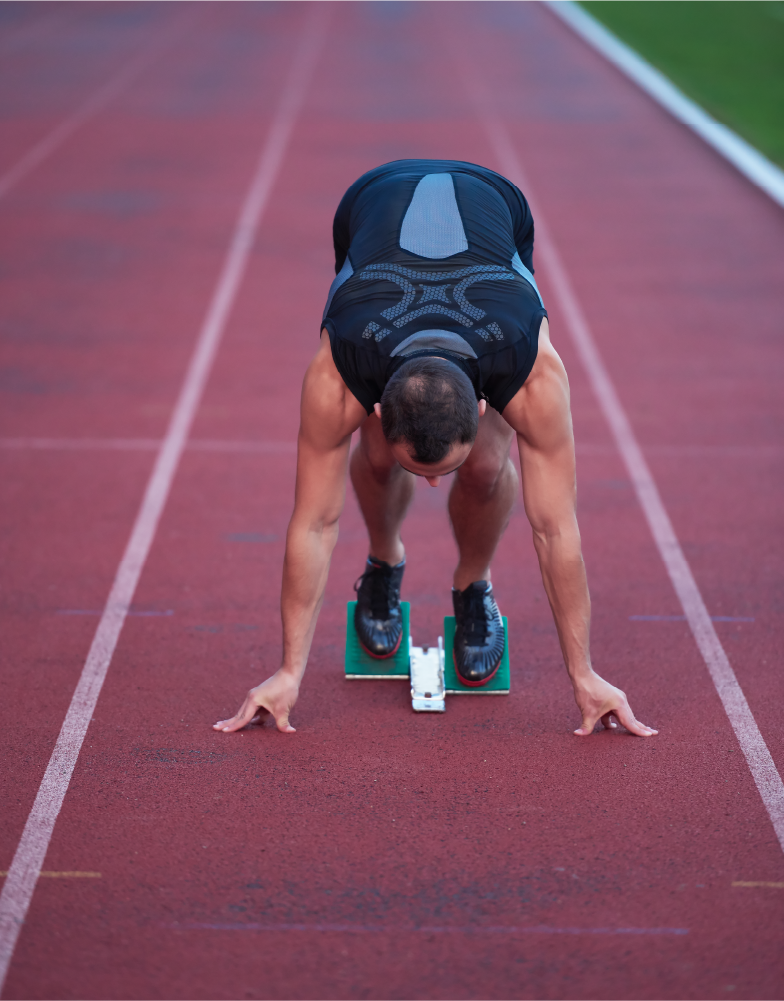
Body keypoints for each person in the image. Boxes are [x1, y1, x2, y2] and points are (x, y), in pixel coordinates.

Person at [214, 159, 657, 738]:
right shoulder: (340, 370)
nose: (429, 485)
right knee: (373, 460)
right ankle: (383, 562)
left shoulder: (529, 369)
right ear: (372, 408)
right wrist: (287, 672)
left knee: (488, 466)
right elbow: (314, 523)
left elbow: (555, 529)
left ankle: (474, 587)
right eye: (417, 469)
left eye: (436, 470)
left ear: (483, 406)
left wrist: (586, 675)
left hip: (496, 210)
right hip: (368, 208)